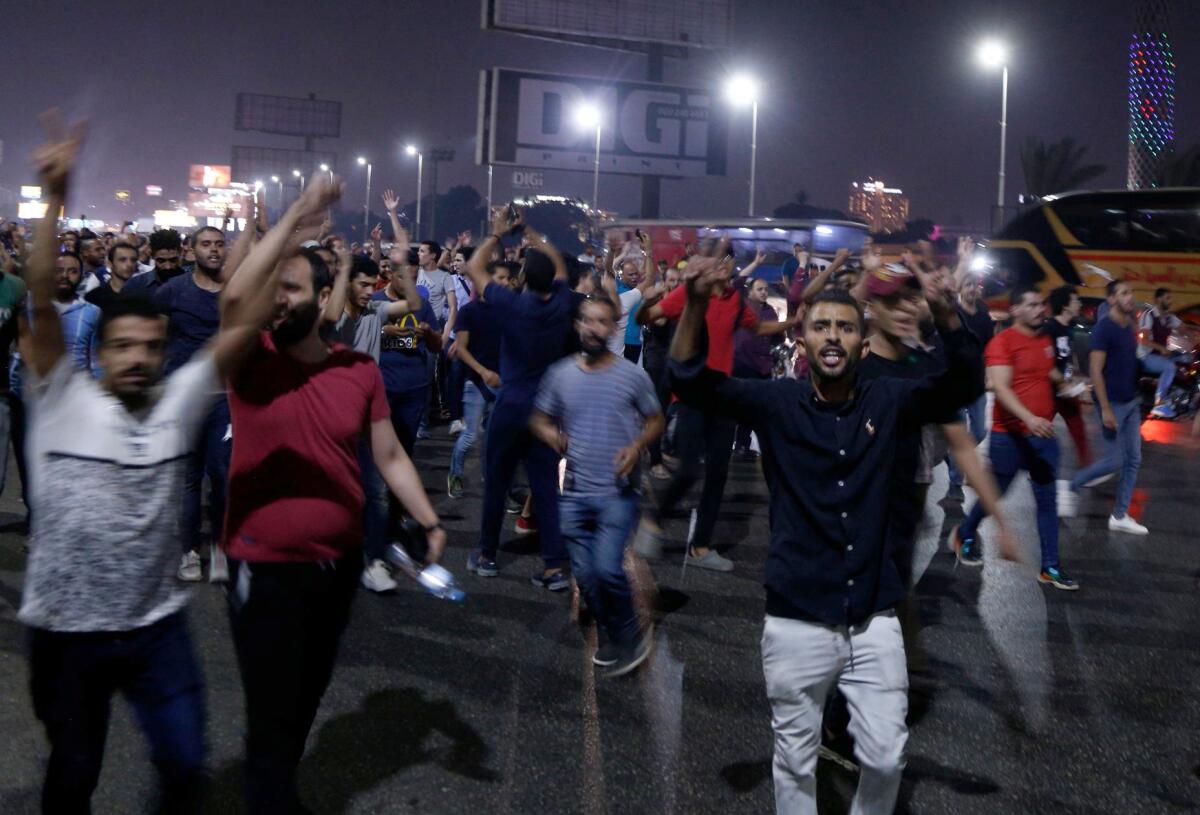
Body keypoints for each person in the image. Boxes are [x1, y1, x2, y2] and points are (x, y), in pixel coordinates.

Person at [666, 239, 996, 814]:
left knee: (888, 755)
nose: (834, 337)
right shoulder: (776, 402)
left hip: (874, 617)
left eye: (846, 328)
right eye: (822, 327)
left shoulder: (889, 399)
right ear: (803, 338)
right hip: (796, 616)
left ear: (862, 344)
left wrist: (947, 312)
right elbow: (692, 381)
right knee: (794, 756)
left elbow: (962, 385)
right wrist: (694, 302)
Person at [17, 111, 259, 815]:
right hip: (64, 631)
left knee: (186, 768)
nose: (135, 358)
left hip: (157, 629)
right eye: (121, 345)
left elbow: (240, 320)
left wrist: (287, 228)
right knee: (73, 772)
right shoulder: (61, 395)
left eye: (148, 348)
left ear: (161, 353)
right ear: (102, 348)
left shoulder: (177, 402)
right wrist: (54, 195)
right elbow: (39, 294)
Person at [219, 174, 447, 813]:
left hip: (335, 562)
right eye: (274, 290)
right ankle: (271, 795)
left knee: (307, 691)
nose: (277, 301)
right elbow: (238, 295)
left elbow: (389, 453)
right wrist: (296, 213)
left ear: (326, 298)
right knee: (270, 704)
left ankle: (276, 781)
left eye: (290, 289)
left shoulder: (359, 367)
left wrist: (427, 519)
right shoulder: (252, 357)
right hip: (260, 562)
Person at [635, 248, 795, 572]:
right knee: (689, 468)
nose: (722, 266)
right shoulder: (689, 293)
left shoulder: (736, 300)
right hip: (693, 393)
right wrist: (649, 300)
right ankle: (653, 521)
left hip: (723, 393)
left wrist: (796, 321)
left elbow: (757, 328)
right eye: (716, 260)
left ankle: (701, 547)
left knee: (718, 474)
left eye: (727, 260)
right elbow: (645, 319)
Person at [530, 295, 664, 676]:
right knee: (585, 576)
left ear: (613, 327)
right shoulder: (560, 374)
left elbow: (655, 420)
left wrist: (638, 446)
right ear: (578, 325)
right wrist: (551, 435)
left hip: (617, 493)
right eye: (587, 320)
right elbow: (539, 418)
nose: (593, 328)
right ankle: (610, 629)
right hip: (573, 492)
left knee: (606, 568)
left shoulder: (631, 375)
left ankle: (628, 633)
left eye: (602, 321)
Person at [464, 207, 580, 590]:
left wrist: (498, 233)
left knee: (496, 480)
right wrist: (529, 229)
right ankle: (554, 565)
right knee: (545, 484)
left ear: (523, 277)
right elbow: (557, 264)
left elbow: (475, 269)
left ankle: (485, 554)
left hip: (511, 403)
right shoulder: (563, 301)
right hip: (545, 409)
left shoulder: (511, 303)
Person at [951, 286, 1078, 589]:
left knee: (1047, 501)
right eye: (1032, 304)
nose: (1040, 310)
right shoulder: (1002, 342)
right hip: (1009, 437)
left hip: (1043, 436)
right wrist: (1029, 418)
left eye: (1041, 304)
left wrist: (1068, 387)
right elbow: (1002, 387)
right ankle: (964, 533)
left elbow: (1049, 372)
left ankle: (1050, 566)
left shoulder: (1044, 339)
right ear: (1016, 310)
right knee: (994, 495)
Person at [321, 243, 423, 593]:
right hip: (329, 419)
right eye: (362, 285)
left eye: (372, 285)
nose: (370, 291)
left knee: (374, 492)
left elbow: (413, 305)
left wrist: (402, 267)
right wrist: (341, 272)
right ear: (346, 284)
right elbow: (333, 317)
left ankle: (375, 561)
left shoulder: (376, 312)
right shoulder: (331, 316)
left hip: (366, 419)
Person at [155, 224, 231, 584]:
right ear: (191, 250)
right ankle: (188, 551)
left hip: (224, 399)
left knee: (222, 477)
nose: (213, 250)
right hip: (183, 400)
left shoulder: (236, 293)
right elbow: (158, 343)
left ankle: (219, 547)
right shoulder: (172, 291)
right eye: (206, 244)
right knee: (188, 480)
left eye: (218, 244)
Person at [1067, 279, 1147, 534]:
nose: (1129, 296)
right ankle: (1072, 485)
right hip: (1112, 403)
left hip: (1131, 401)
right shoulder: (1104, 329)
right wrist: (1106, 409)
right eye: (1124, 293)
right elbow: (1095, 371)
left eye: (1131, 292)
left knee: (1133, 459)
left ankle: (1120, 515)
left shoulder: (1128, 327)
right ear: (1111, 299)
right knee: (1115, 460)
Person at [447, 260, 512, 499]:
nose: (506, 283)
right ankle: (455, 474)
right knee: (471, 435)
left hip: (503, 382)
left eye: (508, 278)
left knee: (496, 437)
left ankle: (495, 482)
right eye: (501, 278)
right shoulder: (470, 311)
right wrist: (483, 372)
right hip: (476, 381)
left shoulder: (510, 310)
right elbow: (462, 349)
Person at [944, 269, 993, 499]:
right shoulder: (953, 314)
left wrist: (988, 373)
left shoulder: (983, 314)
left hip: (976, 383)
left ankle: (956, 452)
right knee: (961, 429)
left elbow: (989, 347)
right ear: (961, 289)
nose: (973, 289)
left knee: (981, 430)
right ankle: (956, 480)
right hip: (954, 383)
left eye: (975, 285)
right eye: (968, 285)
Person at [732, 274, 782, 457]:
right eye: (759, 289)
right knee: (736, 406)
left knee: (756, 407)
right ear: (750, 292)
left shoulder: (770, 312)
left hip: (762, 366)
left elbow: (777, 337)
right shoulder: (741, 308)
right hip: (741, 363)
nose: (764, 292)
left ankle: (742, 444)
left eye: (766, 289)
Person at [1041, 285, 1091, 467]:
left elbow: (1068, 359)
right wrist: (1063, 383)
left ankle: (1088, 470)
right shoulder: (1049, 329)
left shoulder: (1069, 328)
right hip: (1049, 392)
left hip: (1066, 392)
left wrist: (1077, 382)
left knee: (1079, 431)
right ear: (1065, 306)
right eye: (1075, 300)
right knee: (1040, 430)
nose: (1079, 304)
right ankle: (1033, 466)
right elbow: (1045, 364)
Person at [1138, 286, 1182, 419]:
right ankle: (1160, 403)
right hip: (1145, 356)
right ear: (1158, 299)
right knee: (1169, 367)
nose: (1170, 301)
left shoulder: (1169, 318)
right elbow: (1144, 340)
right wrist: (1161, 348)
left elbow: (1185, 329)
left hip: (1159, 356)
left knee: (1185, 361)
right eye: (1167, 298)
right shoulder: (1149, 315)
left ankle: (1178, 396)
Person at [124, 228, 185, 294]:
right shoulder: (135, 286)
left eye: (173, 260)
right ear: (152, 255)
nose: (168, 266)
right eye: (161, 261)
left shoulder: (193, 284)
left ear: (180, 253)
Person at [84, 241, 139, 310]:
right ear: (110, 264)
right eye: (122, 260)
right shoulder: (94, 297)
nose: (129, 264)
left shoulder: (144, 295)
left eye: (133, 260)